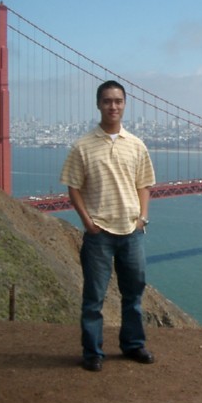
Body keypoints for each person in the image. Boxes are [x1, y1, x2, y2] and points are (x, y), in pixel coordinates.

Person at [60, 80, 156, 372]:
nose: (113, 106)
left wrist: (141, 218)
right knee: (94, 298)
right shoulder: (82, 146)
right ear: (98, 105)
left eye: (118, 101)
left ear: (125, 105)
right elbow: (73, 187)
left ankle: (133, 346)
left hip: (131, 231)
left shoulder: (137, 145)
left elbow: (145, 184)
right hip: (99, 233)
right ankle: (92, 352)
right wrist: (87, 222)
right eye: (107, 101)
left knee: (134, 295)